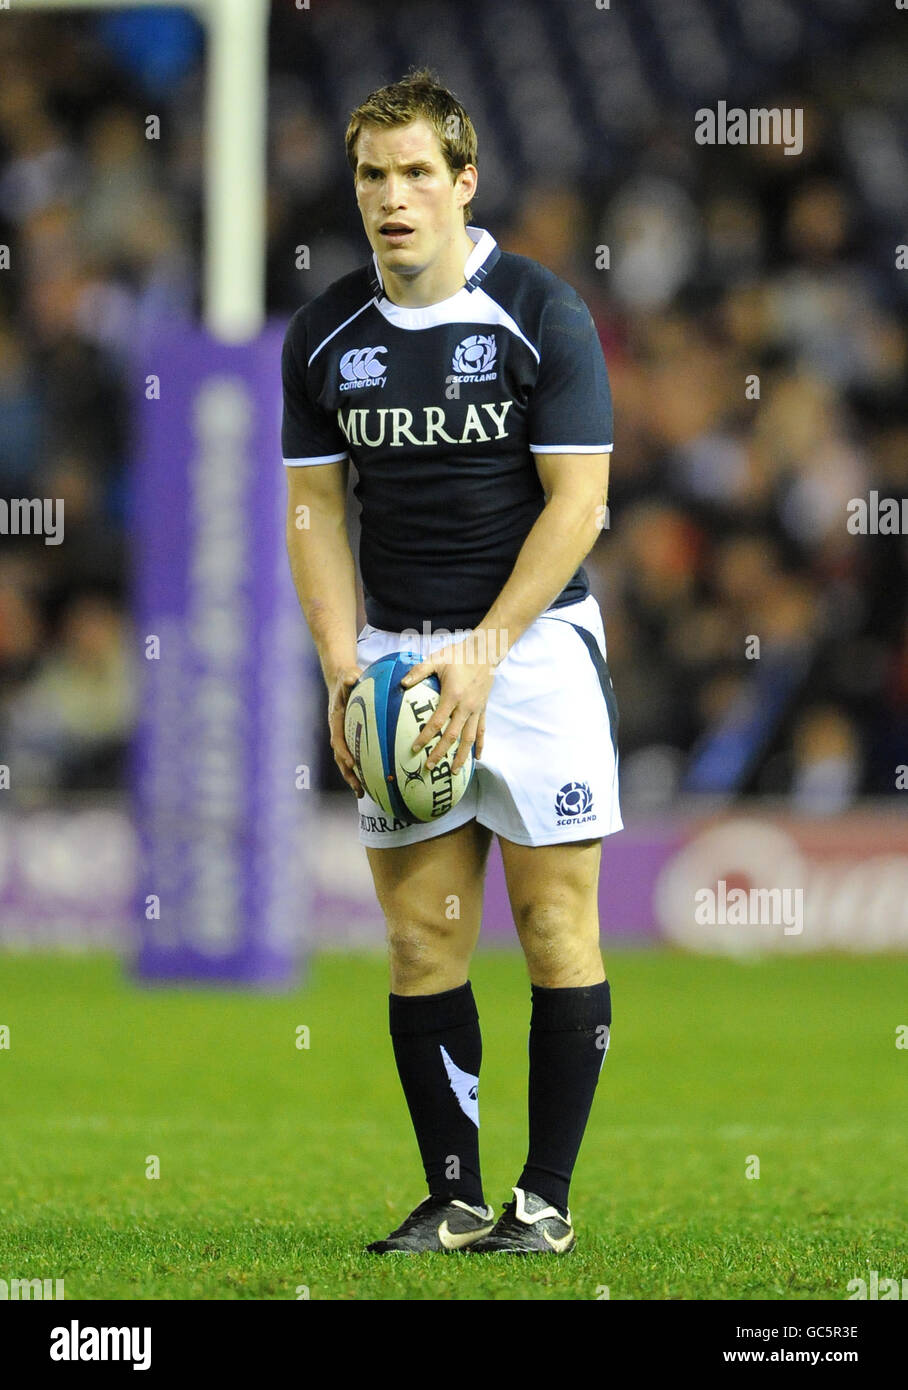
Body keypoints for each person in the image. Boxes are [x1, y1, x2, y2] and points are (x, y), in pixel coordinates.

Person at [282, 68, 621, 1255]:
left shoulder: (539, 308)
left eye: (417, 172)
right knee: (423, 934)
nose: (392, 196)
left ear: (462, 182)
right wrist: (339, 661)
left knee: (550, 924)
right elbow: (316, 513)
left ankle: (544, 1201)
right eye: (372, 174)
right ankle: (451, 1196)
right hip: (394, 659)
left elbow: (577, 505)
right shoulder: (325, 331)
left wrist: (487, 648)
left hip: (530, 653)